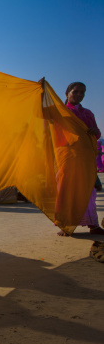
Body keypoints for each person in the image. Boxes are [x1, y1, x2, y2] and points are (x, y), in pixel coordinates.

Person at [57, 82, 104, 263]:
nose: (79, 94)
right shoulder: (60, 111)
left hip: (85, 156)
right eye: (75, 91)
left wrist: (95, 131)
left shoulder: (87, 113)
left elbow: (97, 133)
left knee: (88, 191)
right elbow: (41, 115)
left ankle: (93, 225)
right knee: (67, 189)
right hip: (67, 155)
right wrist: (41, 91)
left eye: (82, 92)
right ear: (67, 93)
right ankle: (67, 225)